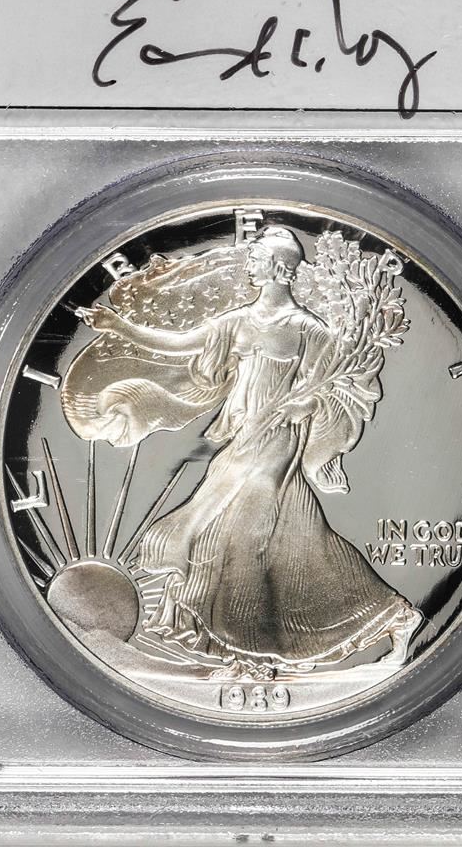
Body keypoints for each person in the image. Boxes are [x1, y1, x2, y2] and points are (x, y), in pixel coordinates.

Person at [77, 227, 422, 678]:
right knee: (292, 541)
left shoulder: (308, 330)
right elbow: (179, 345)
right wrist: (119, 327)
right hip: (244, 438)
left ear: (279, 268)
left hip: (279, 439)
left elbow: (337, 385)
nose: (250, 265)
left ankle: (250, 657)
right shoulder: (237, 321)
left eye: (257, 258)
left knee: (240, 535)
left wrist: (305, 404)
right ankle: (393, 617)